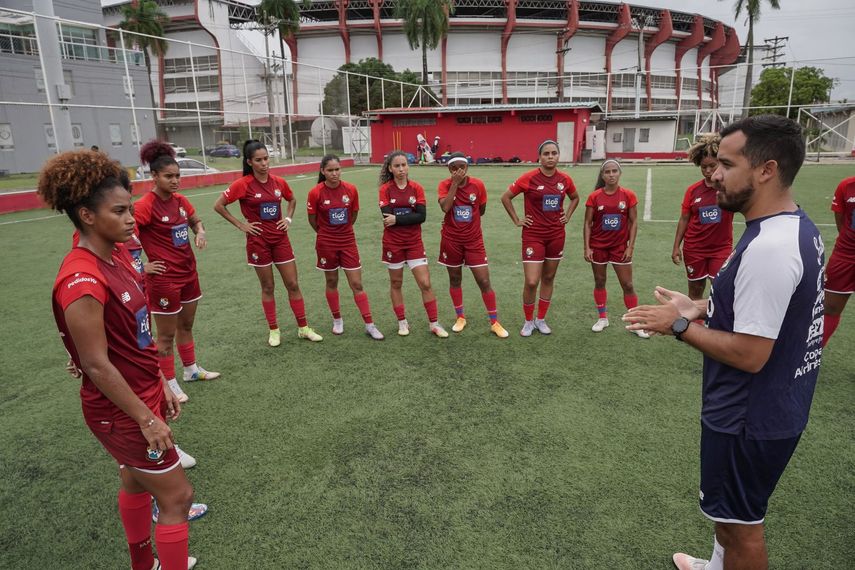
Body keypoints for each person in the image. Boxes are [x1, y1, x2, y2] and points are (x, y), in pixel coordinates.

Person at [623, 115, 824, 570]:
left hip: (748, 415)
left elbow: (752, 355)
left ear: (766, 169)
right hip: (770, 405)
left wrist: (676, 325)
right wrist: (700, 308)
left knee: (740, 528)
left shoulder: (770, 247)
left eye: (727, 165)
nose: (714, 173)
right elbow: (774, 315)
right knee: (728, 515)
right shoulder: (790, 227)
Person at [40, 150, 198, 570]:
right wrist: (146, 418)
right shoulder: (83, 278)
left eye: (131, 209)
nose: (131, 219)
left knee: (133, 478)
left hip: (138, 395)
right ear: (87, 216)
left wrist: (161, 384)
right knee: (178, 497)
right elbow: (95, 364)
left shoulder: (120, 258)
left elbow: (136, 339)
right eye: (120, 211)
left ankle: (143, 564)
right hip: (121, 410)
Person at [213, 140, 322, 346]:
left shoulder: (279, 182)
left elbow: (292, 200)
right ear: (249, 162)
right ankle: (274, 330)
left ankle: (303, 328)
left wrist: (288, 219)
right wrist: (240, 224)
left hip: (280, 240)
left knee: (292, 283)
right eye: (258, 160)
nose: (264, 163)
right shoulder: (242, 185)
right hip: (258, 243)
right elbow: (218, 205)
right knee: (268, 287)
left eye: (266, 159)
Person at [134, 141, 219, 404]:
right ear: (154, 177)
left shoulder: (180, 201)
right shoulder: (145, 205)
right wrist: (141, 266)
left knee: (187, 325)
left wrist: (200, 231)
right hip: (164, 281)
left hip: (189, 274)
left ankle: (191, 370)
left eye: (178, 176)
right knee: (166, 336)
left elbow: (194, 220)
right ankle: (168, 382)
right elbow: (124, 238)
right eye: (169, 176)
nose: (175, 181)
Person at [500, 140, 579, 336]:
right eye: (546, 153)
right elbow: (506, 197)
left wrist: (567, 215)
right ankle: (528, 321)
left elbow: (575, 197)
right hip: (533, 235)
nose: (550, 157)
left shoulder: (565, 179)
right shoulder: (529, 178)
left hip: (556, 235)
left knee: (549, 277)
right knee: (532, 281)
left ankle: (541, 319)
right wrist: (518, 219)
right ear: (540, 157)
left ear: (558, 156)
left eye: (554, 153)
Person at [307, 154, 384, 340]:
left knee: (357, 284)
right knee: (332, 282)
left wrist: (343, 231)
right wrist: (326, 233)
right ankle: (337, 320)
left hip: (347, 241)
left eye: (337, 169)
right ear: (323, 171)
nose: (334, 173)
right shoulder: (315, 192)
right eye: (330, 170)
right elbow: (313, 220)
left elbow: (353, 215)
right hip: (326, 243)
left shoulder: (351, 189)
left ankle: (370, 324)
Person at [436, 152, 509, 338]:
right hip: (451, 240)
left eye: (461, 167)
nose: (458, 171)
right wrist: (454, 183)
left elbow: (481, 209)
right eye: (454, 168)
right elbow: (445, 207)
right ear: (449, 169)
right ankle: (460, 317)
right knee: (455, 279)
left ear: (467, 167)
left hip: (474, 240)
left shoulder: (478, 185)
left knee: (484, 281)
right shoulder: (444, 185)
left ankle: (494, 322)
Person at [378, 151, 448, 337]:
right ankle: (402, 322)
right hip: (393, 243)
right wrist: (409, 217)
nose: (401, 169)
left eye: (404, 165)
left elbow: (421, 216)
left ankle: (434, 323)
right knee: (396, 283)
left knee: (425, 283)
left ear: (408, 167)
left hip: (414, 243)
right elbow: (387, 218)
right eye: (397, 166)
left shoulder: (416, 188)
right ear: (390, 169)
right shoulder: (385, 189)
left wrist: (399, 219)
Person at [583, 159, 649, 338]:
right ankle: (602, 318)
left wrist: (630, 247)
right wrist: (587, 247)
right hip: (598, 247)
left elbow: (634, 222)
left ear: (619, 173)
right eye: (607, 172)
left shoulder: (628, 195)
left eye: (614, 171)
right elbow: (588, 223)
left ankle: (636, 323)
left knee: (627, 284)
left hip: (620, 247)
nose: (611, 175)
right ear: (602, 175)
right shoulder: (594, 196)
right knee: (599, 281)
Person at [672, 134, 734, 300]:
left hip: (721, 249)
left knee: (720, 291)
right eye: (703, 167)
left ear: (720, 163)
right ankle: (695, 325)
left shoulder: (729, 188)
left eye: (712, 166)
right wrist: (676, 246)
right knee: (695, 292)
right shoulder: (693, 191)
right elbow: (684, 218)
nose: (708, 171)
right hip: (694, 249)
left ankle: (717, 325)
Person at [822, 175, 855, 346]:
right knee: (830, 307)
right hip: (845, 253)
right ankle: (812, 354)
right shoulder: (846, 186)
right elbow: (841, 222)